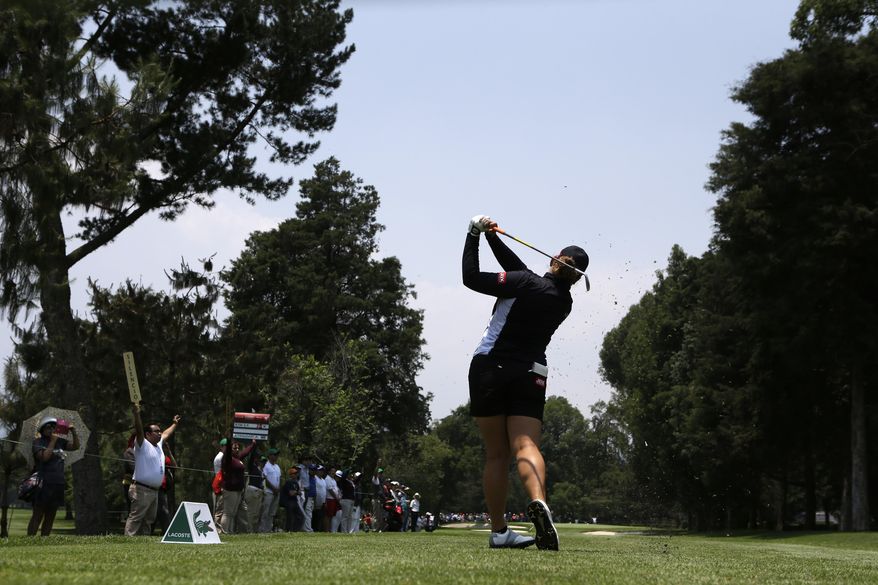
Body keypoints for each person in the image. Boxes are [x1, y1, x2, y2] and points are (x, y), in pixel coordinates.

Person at [463, 214, 588, 551]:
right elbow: (521, 271)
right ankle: (538, 500)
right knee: (526, 446)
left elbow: (470, 277)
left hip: (491, 366)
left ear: (555, 260)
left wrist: (473, 234)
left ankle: (500, 531)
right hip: (532, 372)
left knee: (496, 455)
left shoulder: (526, 283)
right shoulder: (564, 301)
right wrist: (493, 238)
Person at [125, 406, 181, 536]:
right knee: (136, 518)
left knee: (148, 520)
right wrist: (137, 415)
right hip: (141, 489)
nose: (160, 433)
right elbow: (139, 429)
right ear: (148, 434)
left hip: (154, 491)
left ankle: (143, 543)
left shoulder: (159, 446)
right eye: (156, 431)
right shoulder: (142, 444)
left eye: (159, 431)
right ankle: (127, 540)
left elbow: (167, 433)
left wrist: (174, 424)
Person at [28, 416, 79, 536]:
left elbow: (75, 446)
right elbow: (44, 457)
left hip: (58, 482)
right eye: (48, 427)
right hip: (43, 482)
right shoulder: (38, 442)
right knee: (38, 514)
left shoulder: (60, 442)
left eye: (53, 427)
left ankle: (44, 541)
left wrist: (73, 431)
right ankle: (29, 540)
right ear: (42, 429)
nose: (51, 429)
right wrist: (52, 441)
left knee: (51, 515)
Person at [220, 437, 256, 534]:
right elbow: (228, 452)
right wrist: (228, 441)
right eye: (234, 448)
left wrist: (252, 444)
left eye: (237, 448)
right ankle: (224, 532)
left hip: (238, 490)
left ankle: (230, 531)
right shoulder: (227, 459)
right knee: (227, 513)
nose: (237, 450)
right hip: (230, 489)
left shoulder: (237, 458)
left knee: (232, 513)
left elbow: (245, 452)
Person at [259, 448, 281, 532]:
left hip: (276, 492)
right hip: (268, 491)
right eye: (274, 455)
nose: (276, 456)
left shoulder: (277, 467)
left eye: (277, 455)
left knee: (272, 512)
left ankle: (268, 529)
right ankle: (262, 529)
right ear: (269, 456)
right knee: (265, 512)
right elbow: (265, 479)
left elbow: (279, 479)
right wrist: (273, 488)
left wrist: (278, 488)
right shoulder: (266, 466)